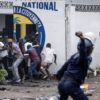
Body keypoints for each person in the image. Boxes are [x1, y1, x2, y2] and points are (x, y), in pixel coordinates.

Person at [56, 32, 96, 100]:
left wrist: (58, 76)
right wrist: (82, 40)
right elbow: (83, 53)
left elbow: (63, 68)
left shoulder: (74, 56)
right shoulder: (86, 57)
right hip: (71, 85)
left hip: (61, 83)